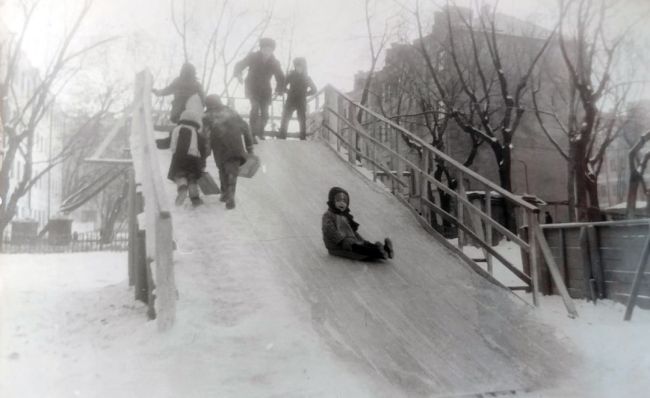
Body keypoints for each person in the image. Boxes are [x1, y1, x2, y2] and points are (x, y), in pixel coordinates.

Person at [203, 94, 254, 210]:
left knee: (222, 169)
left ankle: (225, 192)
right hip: (236, 146)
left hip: (220, 147)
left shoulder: (207, 116)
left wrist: (206, 151)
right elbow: (246, 128)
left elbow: (206, 135)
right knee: (232, 170)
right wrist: (249, 147)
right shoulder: (232, 112)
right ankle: (230, 193)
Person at [233, 37, 285, 141]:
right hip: (252, 87)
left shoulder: (275, 62)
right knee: (255, 107)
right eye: (265, 49)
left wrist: (278, 90)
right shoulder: (253, 56)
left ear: (272, 51)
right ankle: (252, 133)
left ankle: (260, 132)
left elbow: (280, 77)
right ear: (261, 49)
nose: (267, 52)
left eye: (269, 50)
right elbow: (240, 65)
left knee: (265, 113)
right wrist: (238, 74)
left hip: (265, 89)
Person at [321, 186, 393, 261]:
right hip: (337, 246)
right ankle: (380, 252)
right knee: (361, 250)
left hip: (350, 242)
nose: (342, 203)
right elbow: (329, 230)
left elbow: (352, 231)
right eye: (338, 200)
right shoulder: (328, 215)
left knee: (364, 245)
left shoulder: (345, 216)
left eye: (345, 201)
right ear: (332, 201)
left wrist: (362, 240)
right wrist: (341, 240)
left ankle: (385, 249)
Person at [167, 110, 209, 206]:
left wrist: (157, 143)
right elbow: (203, 150)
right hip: (193, 159)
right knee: (192, 178)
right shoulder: (198, 134)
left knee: (180, 175)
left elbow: (167, 142)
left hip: (178, 158)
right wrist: (203, 164)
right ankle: (195, 199)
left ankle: (182, 188)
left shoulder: (176, 130)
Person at [279, 57, 317, 140]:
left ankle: (302, 138)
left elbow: (314, 89)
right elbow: (282, 85)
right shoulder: (291, 76)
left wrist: (305, 94)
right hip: (290, 100)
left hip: (301, 101)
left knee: (301, 119)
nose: (299, 68)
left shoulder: (307, 78)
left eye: (300, 67)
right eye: (297, 66)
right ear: (295, 67)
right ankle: (282, 137)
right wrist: (288, 92)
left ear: (304, 67)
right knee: (285, 117)